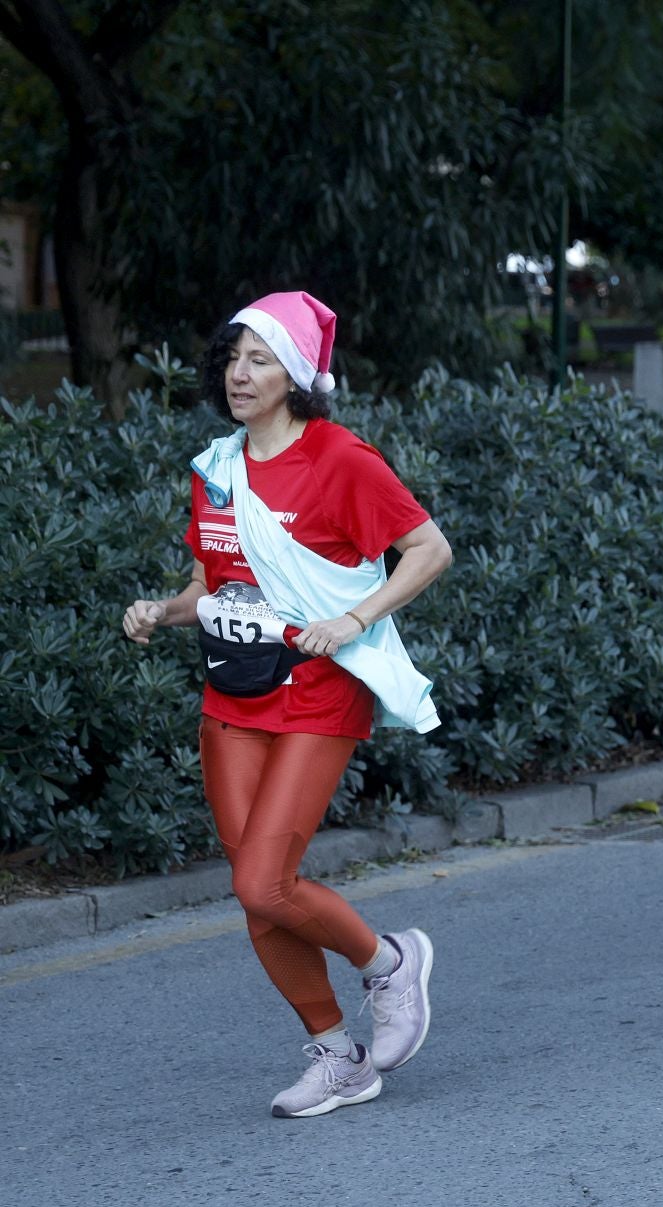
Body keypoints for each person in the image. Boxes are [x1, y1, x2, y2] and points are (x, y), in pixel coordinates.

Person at [120, 292, 451, 1117]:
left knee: (267, 882)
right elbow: (215, 583)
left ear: (297, 374)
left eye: (259, 358)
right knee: (253, 884)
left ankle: (388, 964)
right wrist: (163, 610)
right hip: (233, 694)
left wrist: (356, 617)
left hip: (317, 692)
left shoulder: (340, 460)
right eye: (233, 356)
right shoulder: (216, 469)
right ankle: (338, 1054)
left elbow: (429, 548)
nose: (239, 372)